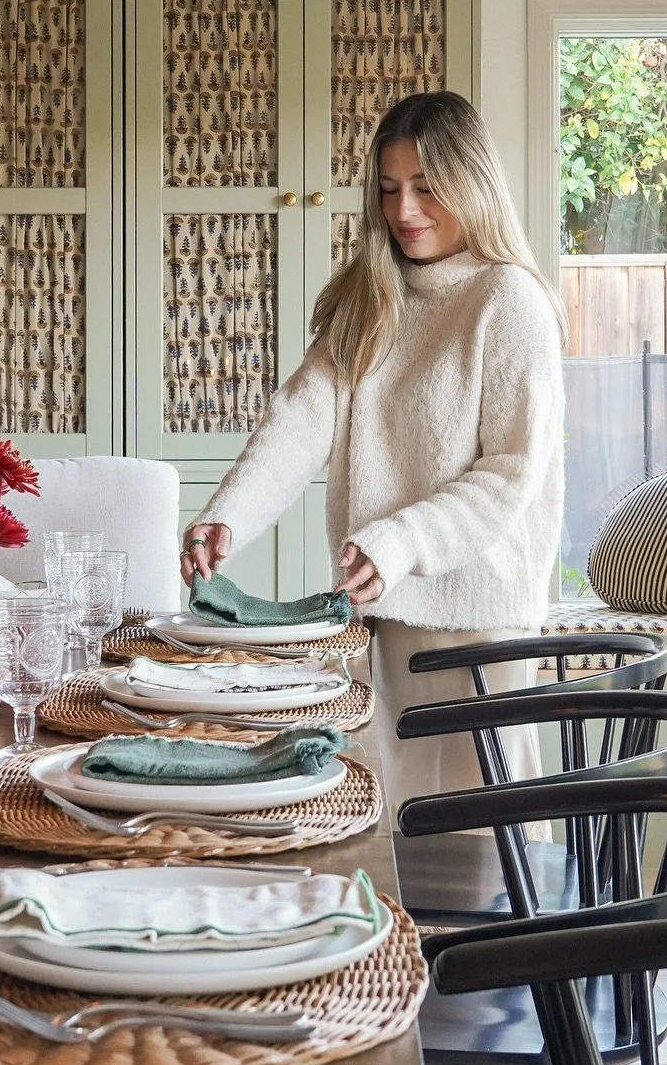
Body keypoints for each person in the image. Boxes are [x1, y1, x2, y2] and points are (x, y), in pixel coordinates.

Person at [180, 90, 565, 818]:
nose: (405, 210)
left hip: (477, 626)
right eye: (389, 190)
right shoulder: (374, 295)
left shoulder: (509, 300)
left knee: (485, 853)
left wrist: (400, 541)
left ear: (472, 183)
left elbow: (510, 472)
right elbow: (300, 418)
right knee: (396, 838)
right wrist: (227, 516)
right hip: (387, 616)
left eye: (426, 187)